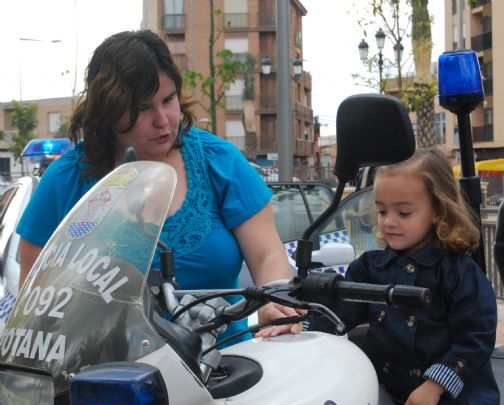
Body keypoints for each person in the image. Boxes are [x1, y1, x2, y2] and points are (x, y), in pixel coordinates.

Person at [16, 29, 299, 346]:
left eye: (169, 100)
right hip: (106, 387)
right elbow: (35, 300)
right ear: (108, 110)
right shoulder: (65, 178)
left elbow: (267, 255)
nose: (164, 120)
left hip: (223, 375)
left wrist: (275, 299)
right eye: (142, 108)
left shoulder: (220, 162)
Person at [308, 148, 499, 405]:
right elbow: (337, 314)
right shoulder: (371, 267)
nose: (389, 221)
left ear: (438, 210)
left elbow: (476, 337)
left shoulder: (458, 271)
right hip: (384, 396)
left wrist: (435, 385)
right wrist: (299, 328)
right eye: (382, 210)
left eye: (404, 212)